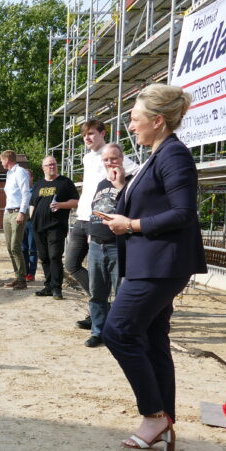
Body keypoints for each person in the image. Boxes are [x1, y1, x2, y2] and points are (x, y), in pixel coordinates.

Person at [99, 84, 207, 451]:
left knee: (119, 332)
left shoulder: (173, 155)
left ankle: (153, 415)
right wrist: (122, 193)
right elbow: (153, 202)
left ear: (158, 121)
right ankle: (164, 421)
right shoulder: (157, 155)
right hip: (151, 262)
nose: (131, 126)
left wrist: (130, 225)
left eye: (135, 119)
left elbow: (183, 213)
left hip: (160, 265)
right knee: (152, 339)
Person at [71, 118, 141, 329]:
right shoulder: (87, 158)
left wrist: (121, 186)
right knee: (72, 264)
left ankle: (100, 316)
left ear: (102, 133)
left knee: (108, 274)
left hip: (101, 222)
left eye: (91, 133)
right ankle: (99, 308)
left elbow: (138, 172)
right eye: (84, 135)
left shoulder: (111, 156)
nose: (87, 137)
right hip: (82, 217)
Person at [84, 143, 129, 348]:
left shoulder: (130, 183)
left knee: (121, 294)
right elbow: (96, 209)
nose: (110, 163)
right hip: (96, 244)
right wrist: (91, 235)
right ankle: (98, 331)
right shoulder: (102, 183)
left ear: (121, 159)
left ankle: (119, 334)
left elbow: (132, 210)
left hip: (116, 245)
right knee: (97, 293)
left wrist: (120, 185)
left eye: (114, 158)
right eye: (106, 160)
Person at [28, 156, 78, 300]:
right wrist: (32, 219)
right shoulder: (38, 184)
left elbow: (76, 202)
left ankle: (57, 288)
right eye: (49, 165)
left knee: (54, 256)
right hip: (38, 227)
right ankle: (48, 286)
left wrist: (61, 205)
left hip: (56, 226)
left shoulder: (65, 182)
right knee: (43, 258)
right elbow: (32, 203)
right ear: (43, 167)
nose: (52, 167)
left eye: (54, 164)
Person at [0, 150, 31, 290]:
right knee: (9, 247)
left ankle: (22, 280)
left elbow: (25, 193)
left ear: (7, 160)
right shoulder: (9, 174)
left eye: (2, 160)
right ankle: (18, 276)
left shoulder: (20, 172)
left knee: (15, 246)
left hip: (18, 212)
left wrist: (22, 212)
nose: (1, 163)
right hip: (9, 211)